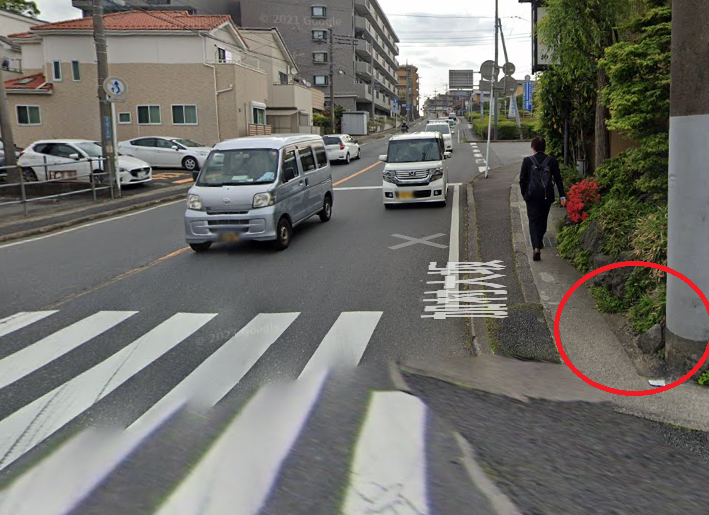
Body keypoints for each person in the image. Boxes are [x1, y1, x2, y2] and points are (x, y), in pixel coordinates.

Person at [519, 136, 566, 262]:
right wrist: (562, 195)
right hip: (547, 196)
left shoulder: (527, 161)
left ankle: (536, 248)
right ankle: (539, 240)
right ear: (545, 147)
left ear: (533, 147)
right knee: (543, 219)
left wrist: (525, 195)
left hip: (532, 196)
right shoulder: (552, 161)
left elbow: (522, 180)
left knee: (533, 221)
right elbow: (558, 179)